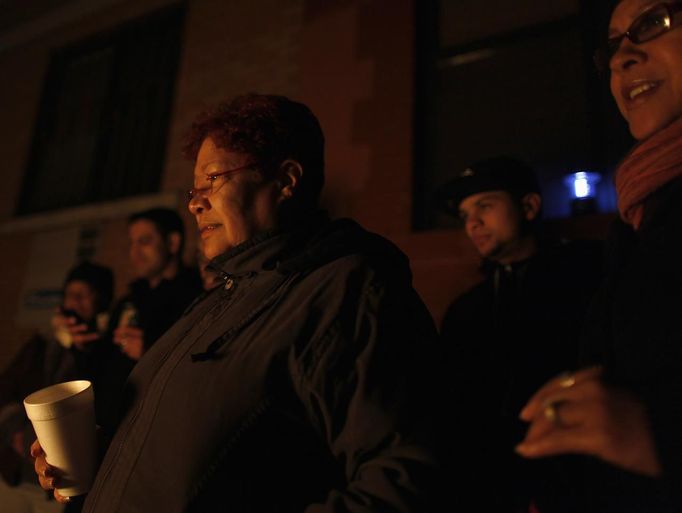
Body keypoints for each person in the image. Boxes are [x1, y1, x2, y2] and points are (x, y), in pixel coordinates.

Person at [32, 94, 444, 513]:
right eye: (195, 188)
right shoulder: (221, 299)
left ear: (286, 180)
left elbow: (406, 480)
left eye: (214, 179)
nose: (195, 202)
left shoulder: (347, 292)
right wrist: (108, 458)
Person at [516, 1, 682, 511]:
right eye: (612, 46)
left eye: (652, 23)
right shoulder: (639, 218)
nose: (621, 57)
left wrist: (656, 434)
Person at [434, 157, 604, 512]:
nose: (473, 223)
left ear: (528, 206)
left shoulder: (586, 276)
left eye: (485, 206)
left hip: (577, 478)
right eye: (465, 215)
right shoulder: (467, 309)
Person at [71, 208, 203, 435]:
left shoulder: (196, 297)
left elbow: (200, 372)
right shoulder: (129, 300)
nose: (135, 252)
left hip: (154, 429)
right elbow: (101, 364)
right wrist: (82, 345)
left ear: (172, 242)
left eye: (144, 241)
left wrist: (151, 351)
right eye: (131, 243)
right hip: (106, 425)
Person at [0, 261, 113, 513]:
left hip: (58, 488)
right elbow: (5, 388)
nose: (76, 303)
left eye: (84, 296)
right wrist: (15, 429)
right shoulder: (41, 344)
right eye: (71, 295)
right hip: (14, 471)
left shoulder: (104, 354)